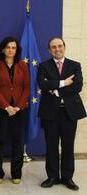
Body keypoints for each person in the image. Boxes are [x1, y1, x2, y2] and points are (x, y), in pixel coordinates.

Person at [38, 37, 86, 191]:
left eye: (59, 46)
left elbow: (77, 85)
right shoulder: (44, 66)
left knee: (68, 145)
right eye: (53, 47)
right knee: (51, 146)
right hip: (50, 112)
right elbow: (42, 84)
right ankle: (52, 177)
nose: (57, 49)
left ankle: (67, 177)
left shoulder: (74, 65)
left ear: (64, 47)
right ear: (49, 50)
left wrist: (56, 91)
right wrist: (64, 83)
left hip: (69, 112)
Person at [0, 37, 30, 185]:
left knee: (17, 142)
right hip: (2, 109)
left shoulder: (23, 66)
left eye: (13, 48)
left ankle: (16, 173)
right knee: (0, 141)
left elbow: (26, 88)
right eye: (8, 47)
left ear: (16, 50)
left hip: (19, 110)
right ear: (2, 49)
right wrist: (7, 106)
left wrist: (18, 107)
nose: (10, 50)